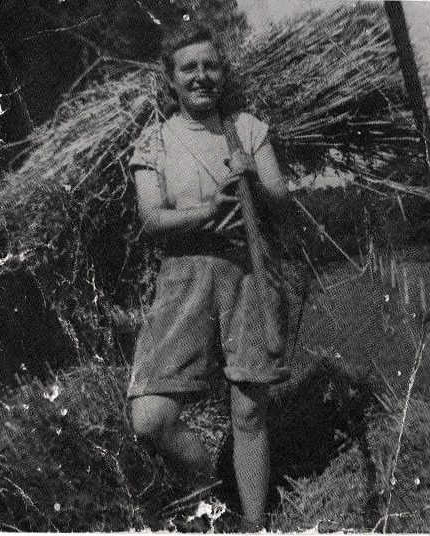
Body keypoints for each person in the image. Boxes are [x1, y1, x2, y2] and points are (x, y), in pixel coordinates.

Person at [127, 22, 293, 531]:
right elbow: (152, 220)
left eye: (210, 65)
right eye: (188, 68)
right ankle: (216, 480)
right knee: (150, 416)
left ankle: (254, 522)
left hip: (247, 273)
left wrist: (255, 184)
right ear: (171, 79)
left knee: (248, 413)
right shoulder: (155, 140)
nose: (201, 76)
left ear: (223, 72)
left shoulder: (246, 127)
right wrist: (207, 209)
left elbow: (281, 203)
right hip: (183, 280)